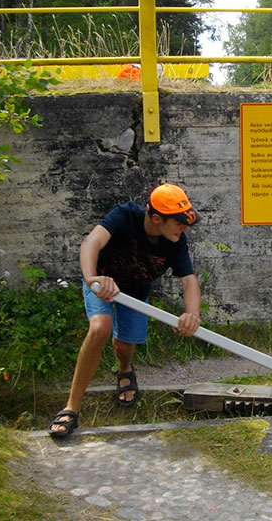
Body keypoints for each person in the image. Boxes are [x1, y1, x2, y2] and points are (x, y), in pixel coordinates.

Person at [49, 183, 203, 437]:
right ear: (156, 218)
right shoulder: (124, 216)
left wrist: (192, 314)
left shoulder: (176, 239)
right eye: (179, 223)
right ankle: (71, 408)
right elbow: (91, 242)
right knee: (100, 328)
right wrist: (92, 279)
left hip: (135, 291)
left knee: (124, 346)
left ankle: (124, 369)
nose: (184, 228)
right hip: (102, 282)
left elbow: (189, 279)